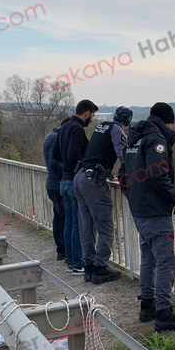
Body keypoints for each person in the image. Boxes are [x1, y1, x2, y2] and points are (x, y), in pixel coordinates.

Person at [119, 102, 175, 332]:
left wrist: (135, 199)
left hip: (139, 210)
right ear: (168, 121)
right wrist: (174, 198)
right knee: (166, 261)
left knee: (149, 257)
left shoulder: (134, 138)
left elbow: (122, 176)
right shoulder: (156, 140)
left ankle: (147, 307)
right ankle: (164, 315)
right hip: (155, 211)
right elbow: (158, 174)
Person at [74, 106, 132, 284]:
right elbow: (122, 154)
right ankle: (100, 269)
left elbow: (97, 153)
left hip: (80, 177)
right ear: (127, 122)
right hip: (94, 181)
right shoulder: (117, 130)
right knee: (106, 227)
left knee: (87, 225)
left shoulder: (102, 126)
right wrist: (129, 175)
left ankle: (89, 266)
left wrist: (108, 173)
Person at [53, 99, 98, 276]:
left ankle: (70, 261)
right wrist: (82, 168)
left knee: (69, 223)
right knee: (78, 224)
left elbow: (56, 154)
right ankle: (78, 263)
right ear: (86, 113)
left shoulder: (64, 127)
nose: (92, 119)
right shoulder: (78, 129)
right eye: (92, 115)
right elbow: (73, 154)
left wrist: (66, 168)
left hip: (63, 181)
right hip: (74, 182)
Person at [42, 118, 69, 261]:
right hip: (56, 184)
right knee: (61, 218)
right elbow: (54, 163)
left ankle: (61, 249)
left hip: (53, 184)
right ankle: (62, 250)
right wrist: (70, 170)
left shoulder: (51, 136)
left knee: (59, 217)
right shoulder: (55, 138)